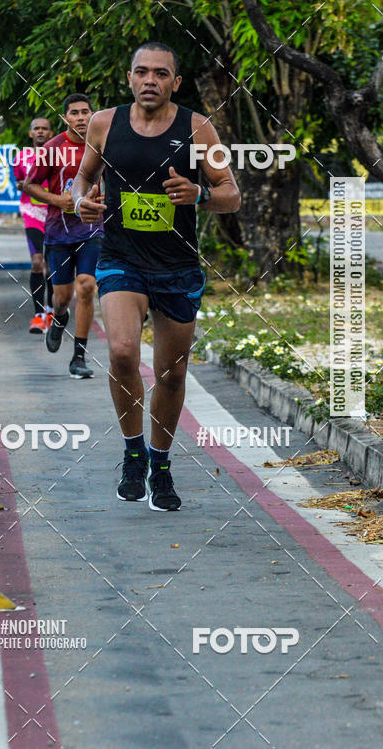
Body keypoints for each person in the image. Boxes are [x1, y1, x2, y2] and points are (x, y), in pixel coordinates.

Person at [72, 43, 241, 510]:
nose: (151, 81)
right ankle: (133, 454)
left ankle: (160, 465)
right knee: (123, 351)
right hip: (122, 258)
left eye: (161, 74)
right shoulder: (105, 123)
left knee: (171, 372)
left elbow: (232, 194)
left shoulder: (198, 128)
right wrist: (81, 199)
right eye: (142, 72)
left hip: (178, 266)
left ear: (175, 82)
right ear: (129, 78)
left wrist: (200, 194)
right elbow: (82, 179)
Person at [22, 94, 103, 379]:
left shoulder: (101, 143)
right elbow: (29, 184)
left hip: (92, 228)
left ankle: (79, 356)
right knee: (62, 297)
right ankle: (59, 319)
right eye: (75, 113)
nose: (81, 118)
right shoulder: (53, 148)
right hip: (58, 232)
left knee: (86, 286)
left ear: (93, 115)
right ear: (65, 118)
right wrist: (57, 200)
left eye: (86, 112)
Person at [13, 117, 54, 333]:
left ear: (51, 133)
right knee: (37, 262)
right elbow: (19, 182)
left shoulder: (57, 156)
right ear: (30, 133)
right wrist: (24, 186)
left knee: (52, 264)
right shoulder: (21, 157)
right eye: (36, 128)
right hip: (31, 212)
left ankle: (53, 309)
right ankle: (38, 315)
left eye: (44, 129)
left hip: (54, 212)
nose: (40, 132)